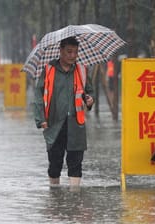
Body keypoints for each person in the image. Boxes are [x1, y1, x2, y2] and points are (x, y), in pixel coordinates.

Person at [33, 36, 95, 187]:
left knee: (76, 164)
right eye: (69, 52)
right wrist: (41, 120)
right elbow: (38, 97)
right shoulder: (48, 70)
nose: (73, 56)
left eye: (75, 52)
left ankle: (74, 201)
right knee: (55, 164)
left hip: (76, 124)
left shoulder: (82, 70)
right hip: (54, 124)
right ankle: (55, 199)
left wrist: (90, 100)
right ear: (60, 51)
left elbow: (90, 92)